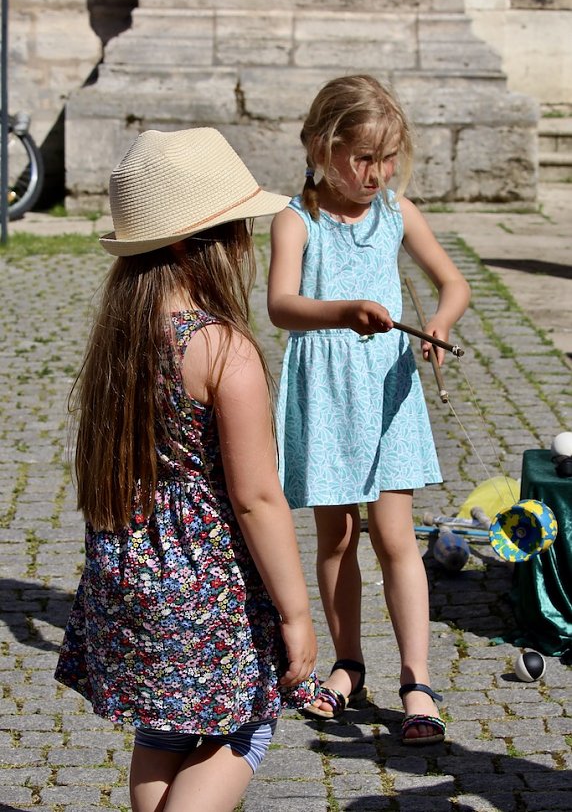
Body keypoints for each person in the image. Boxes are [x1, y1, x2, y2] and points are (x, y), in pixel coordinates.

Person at [55, 127, 318, 812]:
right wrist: (295, 612)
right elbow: (258, 497)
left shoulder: (122, 333)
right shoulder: (223, 350)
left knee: (164, 731)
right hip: (206, 588)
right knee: (248, 723)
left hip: (128, 574)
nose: (246, 241)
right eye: (238, 226)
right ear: (198, 242)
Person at [267, 74, 471, 745]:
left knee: (393, 538)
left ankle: (417, 680)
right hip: (325, 392)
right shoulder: (295, 220)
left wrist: (439, 320)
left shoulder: (397, 213)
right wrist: (341, 313)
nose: (377, 174)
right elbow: (280, 306)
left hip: (385, 392)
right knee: (337, 538)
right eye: (363, 160)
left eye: (388, 160)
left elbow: (453, 283)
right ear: (322, 148)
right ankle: (348, 663)